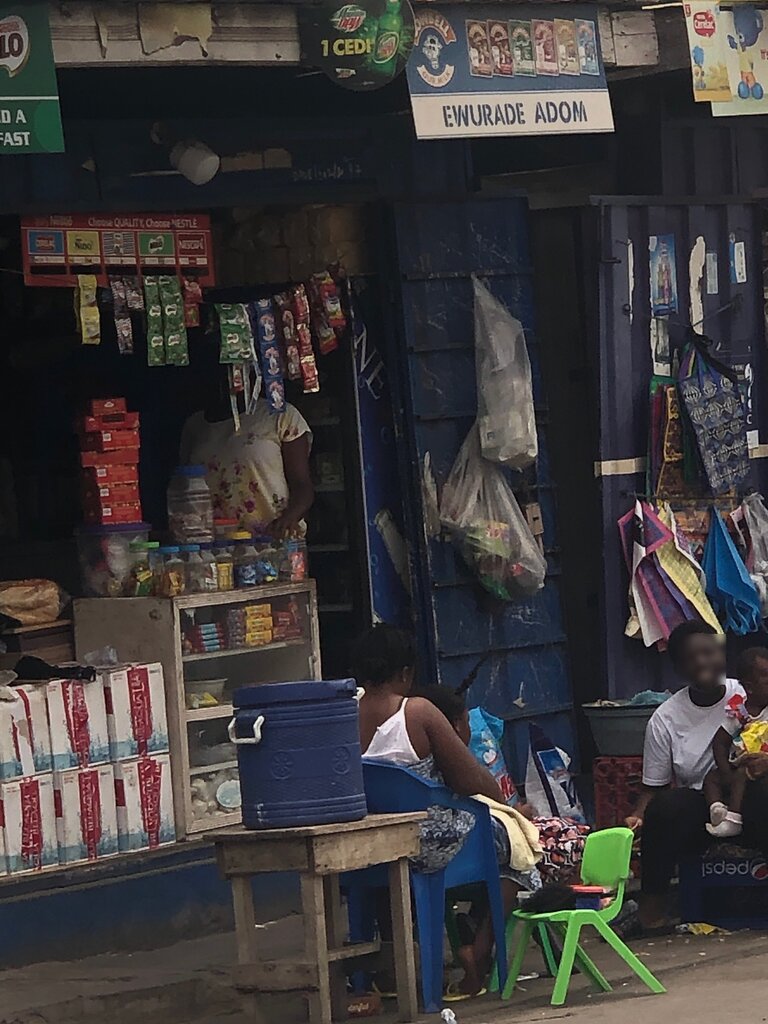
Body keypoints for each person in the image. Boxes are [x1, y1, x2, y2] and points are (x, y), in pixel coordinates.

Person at [354, 625, 528, 998]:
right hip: (425, 844)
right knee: (517, 849)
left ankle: (391, 970)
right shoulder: (416, 711)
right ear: (405, 673)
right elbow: (468, 779)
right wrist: (503, 800)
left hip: (364, 846)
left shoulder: (344, 711)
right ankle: (478, 955)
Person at [625, 620, 753, 932]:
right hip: (702, 811)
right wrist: (638, 817)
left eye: (708, 652)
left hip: (749, 795)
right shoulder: (665, 719)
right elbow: (652, 789)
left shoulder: (748, 692)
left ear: (721, 653)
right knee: (668, 808)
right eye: (691, 658)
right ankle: (651, 912)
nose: (702, 662)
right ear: (680, 668)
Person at [417, 683, 589, 887]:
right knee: (571, 837)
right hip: (464, 844)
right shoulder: (454, 761)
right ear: (456, 725)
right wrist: (513, 815)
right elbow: (481, 790)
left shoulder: (417, 758)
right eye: (467, 721)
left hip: (448, 840)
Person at [180, 391, 314, 539]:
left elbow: (302, 485)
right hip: (215, 546)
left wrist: (288, 519)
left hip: (272, 540)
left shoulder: (279, 414)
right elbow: (186, 488)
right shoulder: (195, 426)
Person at [703, 647, 768, 838]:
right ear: (749, 687)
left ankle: (734, 820)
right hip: (742, 760)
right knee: (711, 778)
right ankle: (717, 810)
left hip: (763, 763)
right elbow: (720, 742)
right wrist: (724, 771)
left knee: (741, 777)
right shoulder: (740, 710)